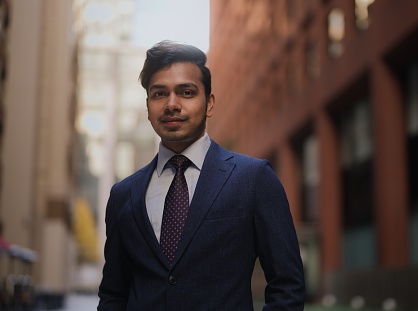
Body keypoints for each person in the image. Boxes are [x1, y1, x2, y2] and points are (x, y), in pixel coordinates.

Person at [97, 40, 305, 310]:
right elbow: (113, 293)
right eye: (159, 94)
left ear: (209, 104)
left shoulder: (253, 179)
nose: (172, 104)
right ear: (148, 107)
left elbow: (287, 286)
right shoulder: (123, 194)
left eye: (186, 92)